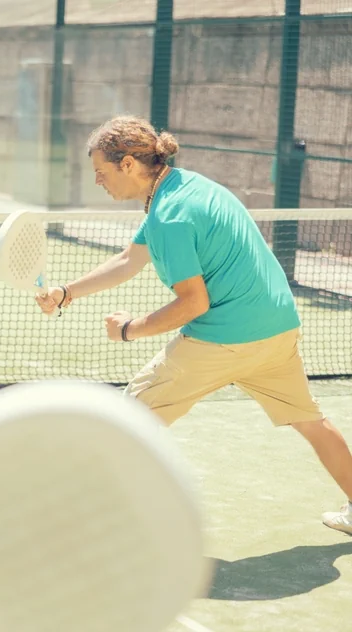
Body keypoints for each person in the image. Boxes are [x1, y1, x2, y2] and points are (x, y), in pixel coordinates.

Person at [34, 115, 352, 535]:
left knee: (130, 416)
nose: (97, 181)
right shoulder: (185, 186)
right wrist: (66, 292)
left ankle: (86, 521)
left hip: (225, 336)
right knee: (311, 421)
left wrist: (130, 328)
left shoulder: (170, 214)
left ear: (128, 163)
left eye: (101, 171)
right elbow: (129, 259)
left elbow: (193, 303)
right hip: (277, 327)